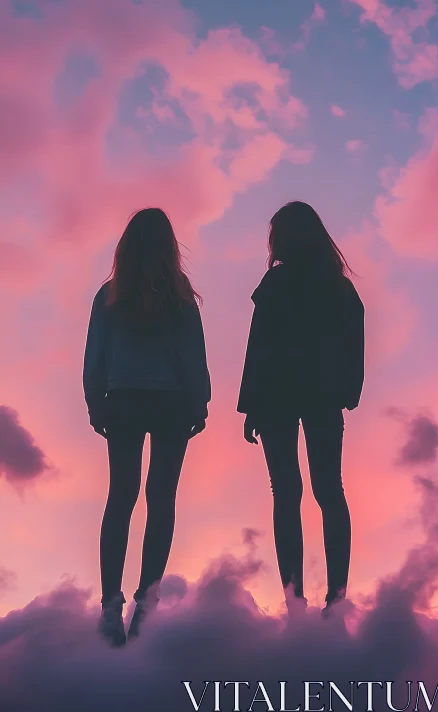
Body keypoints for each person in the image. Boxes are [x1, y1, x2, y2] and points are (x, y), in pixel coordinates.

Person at [83, 207, 210, 646]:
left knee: (121, 497)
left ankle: (110, 604)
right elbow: (193, 355)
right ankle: (146, 605)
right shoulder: (180, 296)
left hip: (123, 398)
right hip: (171, 402)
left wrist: (95, 403)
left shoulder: (110, 296)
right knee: (161, 500)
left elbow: (94, 356)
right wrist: (200, 403)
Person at [237, 201, 364, 619]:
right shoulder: (336, 285)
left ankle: (297, 601)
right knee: (329, 491)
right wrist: (348, 388)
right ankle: (335, 598)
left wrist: (251, 406)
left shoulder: (276, 285)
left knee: (289, 494)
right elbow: (354, 333)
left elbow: (258, 349)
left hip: (277, 397)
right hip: (321, 396)